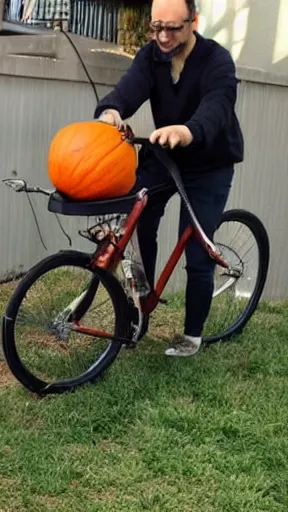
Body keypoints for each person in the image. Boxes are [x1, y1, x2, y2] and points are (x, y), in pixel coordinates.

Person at [94, 0, 244, 356]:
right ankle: (140, 307)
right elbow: (129, 88)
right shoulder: (151, 56)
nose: (162, 36)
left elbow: (217, 107)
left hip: (210, 163)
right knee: (136, 222)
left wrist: (188, 131)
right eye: (155, 27)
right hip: (164, 155)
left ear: (194, 21)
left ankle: (192, 336)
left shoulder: (217, 61)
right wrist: (111, 110)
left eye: (172, 29)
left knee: (196, 249)